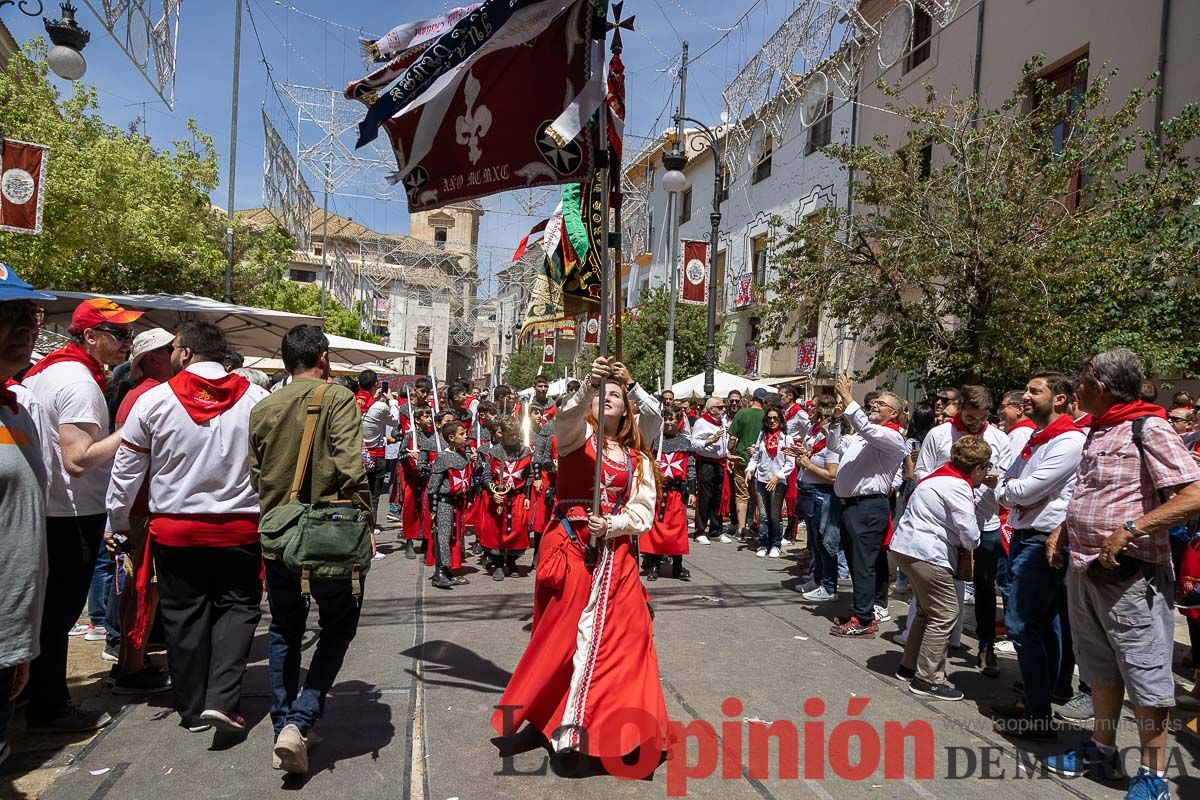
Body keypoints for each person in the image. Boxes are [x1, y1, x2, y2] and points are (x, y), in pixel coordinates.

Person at [491, 357, 668, 763]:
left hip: (614, 552)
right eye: (601, 394)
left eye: (615, 395)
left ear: (626, 407)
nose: (608, 398)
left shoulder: (636, 455)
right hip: (570, 546)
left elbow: (643, 507)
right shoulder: (576, 435)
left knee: (628, 637)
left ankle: (609, 727)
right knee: (561, 637)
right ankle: (544, 719)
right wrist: (590, 383)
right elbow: (566, 416)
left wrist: (614, 524)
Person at [1042, 349, 1200, 799]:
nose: (1076, 388)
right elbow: (1097, 491)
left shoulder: (1148, 427)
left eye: (1081, 380)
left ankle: (1153, 776)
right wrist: (1063, 528)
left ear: (1101, 385)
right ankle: (1101, 749)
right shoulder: (1100, 428)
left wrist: (1131, 529)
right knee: (1099, 669)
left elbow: (1194, 494)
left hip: (1132, 576)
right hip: (1085, 567)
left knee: (1145, 675)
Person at [107, 322, 269, 734]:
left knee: (184, 614)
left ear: (186, 353)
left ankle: (193, 707)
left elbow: (126, 470)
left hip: (175, 530)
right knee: (239, 608)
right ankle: (222, 699)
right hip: (240, 527)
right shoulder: (257, 399)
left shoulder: (155, 400)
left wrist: (117, 521)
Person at [248, 325, 370, 774]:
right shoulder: (337, 397)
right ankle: (300, 720)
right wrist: (364, 517)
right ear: (323, 358)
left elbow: (256, 475)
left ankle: (284, 723)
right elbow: (350, 466)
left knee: (284, 628)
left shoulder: (263, 406)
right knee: (338, 627)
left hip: (278, 535)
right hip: (330, 535)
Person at [22, 297, 143, 732]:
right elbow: (77, 459)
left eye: (129, 333)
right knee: (59, 614)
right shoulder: (79, 383)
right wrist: (133, 431)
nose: (127, 342)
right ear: (89, 336)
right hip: (72, 512)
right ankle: (49, 706)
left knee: (45, 612)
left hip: (48, 507)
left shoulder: (46, 371)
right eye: (119, 333)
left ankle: (32, 694)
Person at [990, 372, 1085, 739]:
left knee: (1024, 624)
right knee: (1039, 623)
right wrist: (1018, 495)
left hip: (1042, 539)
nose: (1025, 397)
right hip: (1025, 533)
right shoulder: (1037, 438)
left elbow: (1023, 490)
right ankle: (1036, 701)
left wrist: (1019, 494)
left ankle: (1038, 714)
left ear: (1059, 399)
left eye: (1035, 391)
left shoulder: (1069, 441)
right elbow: (1006, 487)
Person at [913, 386, 1013, 676]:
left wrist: (995, 482)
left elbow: (1008, 480)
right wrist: (951, 486)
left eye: (982, 418)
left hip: (984, 524)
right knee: (937, 586)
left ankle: (986, 646)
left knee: (984, 587)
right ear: (960, 409)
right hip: (944, 525)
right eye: (970, 417)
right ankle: (929, 649)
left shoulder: (999, 438)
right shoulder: (939, 435)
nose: (976, 424)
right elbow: (921, 473)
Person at [890, 436, 992, 701]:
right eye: (987, 467)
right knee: (946, 613)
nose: (987, 473)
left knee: (926, 611)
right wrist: (973, 542)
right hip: (927, 553)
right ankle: (928, 678)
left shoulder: (936, 478)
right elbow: (969, 533)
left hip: (908, 548)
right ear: (978, 468)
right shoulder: (958, 486)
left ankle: (909, 666)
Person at [0, 267, 53, 761]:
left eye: (28, 315)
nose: (23, 328)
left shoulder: (16, 409)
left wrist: (21, 642)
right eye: (6, 315)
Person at [103, 328, 175, 692]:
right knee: (144, 587)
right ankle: (131, 666)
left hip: (137, 505)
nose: (177, 354)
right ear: (153, 358)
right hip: (144, 506)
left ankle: (129, 661)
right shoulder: (150, 396)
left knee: (138, 587)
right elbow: (132, 462)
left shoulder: (136, 394)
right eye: (170, 349)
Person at [825, 376, 909, 638]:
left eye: (881, 404)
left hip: (869, 507)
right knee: (856, 563)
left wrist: (848, 397)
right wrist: (836, 420)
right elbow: (836, 446)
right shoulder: (865, 435)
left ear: (893, 413)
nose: (874, 405)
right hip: (852, 507)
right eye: (874, 402)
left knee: (863, 564)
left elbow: (865, 427)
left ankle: (863, 619)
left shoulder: (891, 436)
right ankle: (861, 610)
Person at [793, 402, 842, 602]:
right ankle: (818, 580)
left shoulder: (831, 444)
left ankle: (829, 586)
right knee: (815, 542)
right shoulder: (817, 439)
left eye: (814, 414)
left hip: (822, 495)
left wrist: (808, 464)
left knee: (824, 543)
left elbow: (832, 476)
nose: (809, 416)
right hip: (810, 493)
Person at [479, 416, 534, 580]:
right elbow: (487, 475)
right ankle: (497, 564)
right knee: (497, 531)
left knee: (517, 530)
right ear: (502, 434)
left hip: (517, 497)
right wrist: (492, 492)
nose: (514, 437)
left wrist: (528, 496)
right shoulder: (494, 452)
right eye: (511, 434)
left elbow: (529, 476)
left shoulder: (525, 452)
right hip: (499, 498)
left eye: (516, 433)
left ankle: (511, 561)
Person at [643, 405, 693, 581]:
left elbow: (690, 468)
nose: (669, 422)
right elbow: (646, 462)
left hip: (677, 493)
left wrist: (692, 491)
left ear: (679, 421)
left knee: (677, 529)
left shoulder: (685, 443)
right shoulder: (655, 441)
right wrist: (651, 465)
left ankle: (677, 566)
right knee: (657, 528)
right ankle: (654, 565)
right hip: (659, 492)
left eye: (672, 419)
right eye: (666, 418)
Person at [427, 420, 473, 589]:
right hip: (444, 502)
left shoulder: (463, 455)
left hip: (457, 503)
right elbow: (433, 486)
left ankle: (447, 569)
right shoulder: (443, 457)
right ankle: (439, 573)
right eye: (462, 434)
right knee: (443, 535)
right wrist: (433, 509)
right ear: (452, 437)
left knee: (454, 536)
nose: (465, 436)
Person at [746, 408, 795, 558]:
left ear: (781, 420)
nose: (772, 421)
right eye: (769, 418)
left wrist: (777, 477)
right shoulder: (762, 436)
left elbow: (790, 463)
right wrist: (750, 469)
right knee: (763, 515)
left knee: (775, 515)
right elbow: (755, 457)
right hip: (761, 479)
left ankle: (775, 544)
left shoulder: (786, 438)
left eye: (775, 418)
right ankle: (763, 543)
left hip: (777, 482)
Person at [358, 369, 400, 535]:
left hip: (358, 455)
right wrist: (392, 401)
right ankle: (370, 528)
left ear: (359, 384)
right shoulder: (380, 406)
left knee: (359, 494)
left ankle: (359, 527)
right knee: (374, 497)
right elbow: (394, 421)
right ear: (376, 384)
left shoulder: (354, 402)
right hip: (376, 456)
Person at [398, 405, 438, 559]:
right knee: (410, 510)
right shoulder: (410, 436)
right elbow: (400, 456)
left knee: (427, 511)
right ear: (417, 420)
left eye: (430, 416)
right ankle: (409, 541)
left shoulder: (435, 436)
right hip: (412, 479)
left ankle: (426, 541)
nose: (429, 419)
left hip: (428, 479)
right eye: (425, 416)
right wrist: (409, 454)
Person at [690, 397, 731, 545]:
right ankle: (700, 531)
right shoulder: (701, 422)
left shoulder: (722, 422)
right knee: (705, 497)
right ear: (711, 409)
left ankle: (716, 530)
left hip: (720, 463)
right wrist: (709, 441)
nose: (723, 409)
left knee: (718, 498)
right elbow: (693, 443)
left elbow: (723, 444)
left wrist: (728, 454)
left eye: (723, 407)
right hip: (706, 463)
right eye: (720, 407)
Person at [729, 389, 767, 541]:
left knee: (741, 495)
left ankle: (741, 529)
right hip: (761, 461)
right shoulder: (767, 416)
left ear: (753, 398)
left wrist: (730, 452)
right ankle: (758, 527)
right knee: (759, 496)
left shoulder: (742, 413)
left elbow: (732, 438)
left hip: (741, 459)